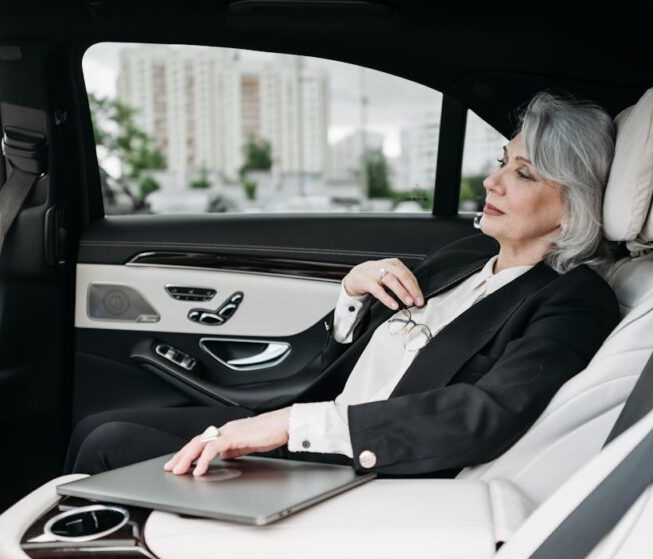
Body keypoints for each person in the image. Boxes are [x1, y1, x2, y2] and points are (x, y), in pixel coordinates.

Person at [68, 91, 620, 478]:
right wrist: (352, 295)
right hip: (316, 426)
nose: (491, 180)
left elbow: (483, 414)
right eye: (502, 162)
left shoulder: (573, 301)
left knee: (110, 444)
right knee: (98, 422)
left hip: (356, 460)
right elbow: (349, 357)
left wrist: (289, 425)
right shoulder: (470, 255)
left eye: (523, 173)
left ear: (572, 208)